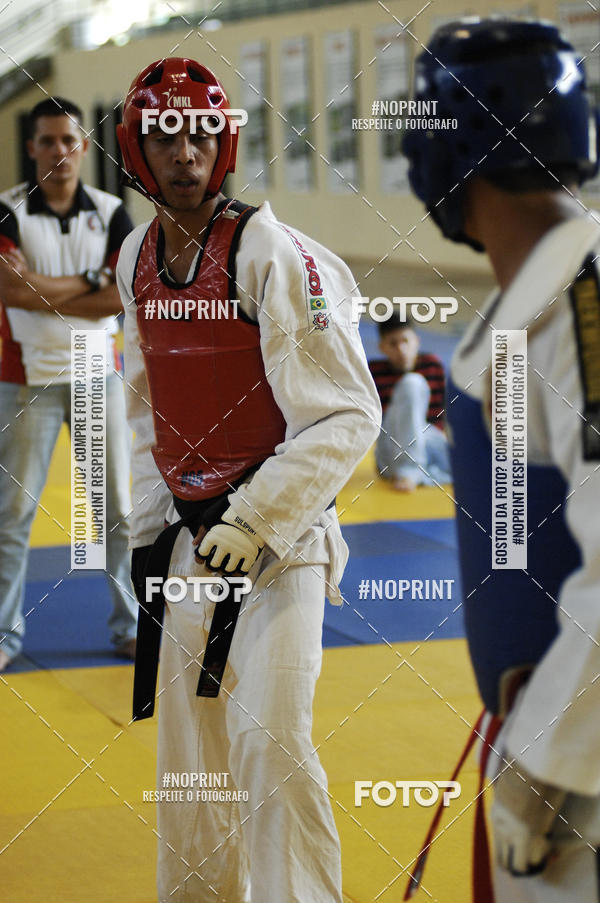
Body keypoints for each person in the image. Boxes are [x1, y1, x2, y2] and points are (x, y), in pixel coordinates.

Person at [115, 58, 381, 902]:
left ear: (223, 145)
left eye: (201, 134)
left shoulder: (270, 252)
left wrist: (256, 518)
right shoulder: (134, 258)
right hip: (186, 544)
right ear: (136, 149)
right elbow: (143, 405)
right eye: (166, 137)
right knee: (191, 764)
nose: (185, 153)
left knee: (270, 742)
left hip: (281, 547)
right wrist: (147, 528)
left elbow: (347, 413)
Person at [403, 17, 600, 902]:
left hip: (577, 771)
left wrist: (544, 757)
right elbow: (521, 516)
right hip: (542, 727)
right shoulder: (532, 306)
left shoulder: (583, 303)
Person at [0, 96, 138, 671]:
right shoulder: (7, 209)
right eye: (48, 140)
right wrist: (88, 280)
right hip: (23, 378)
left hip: (95, 372)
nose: (59, 150)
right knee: (12, 515)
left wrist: (43, 287)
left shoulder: (112, 211)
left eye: (68, 140)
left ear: (83, 146)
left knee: (117, 512)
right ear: (32, 147)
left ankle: (131, 627)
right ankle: (4, 637)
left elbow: (120, 297)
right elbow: (9, 291)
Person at [368, 313, 450, 491]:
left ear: (417, 341)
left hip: (426, 442)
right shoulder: (372, 372)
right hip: (392, 448)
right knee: (412, 383)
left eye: (405, 341)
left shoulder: (432, 365)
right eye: (393, 343)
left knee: (475, 461)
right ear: (382, 347)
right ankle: (409, 471)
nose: (401, 349)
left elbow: (442, 418)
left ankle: (423, 474)